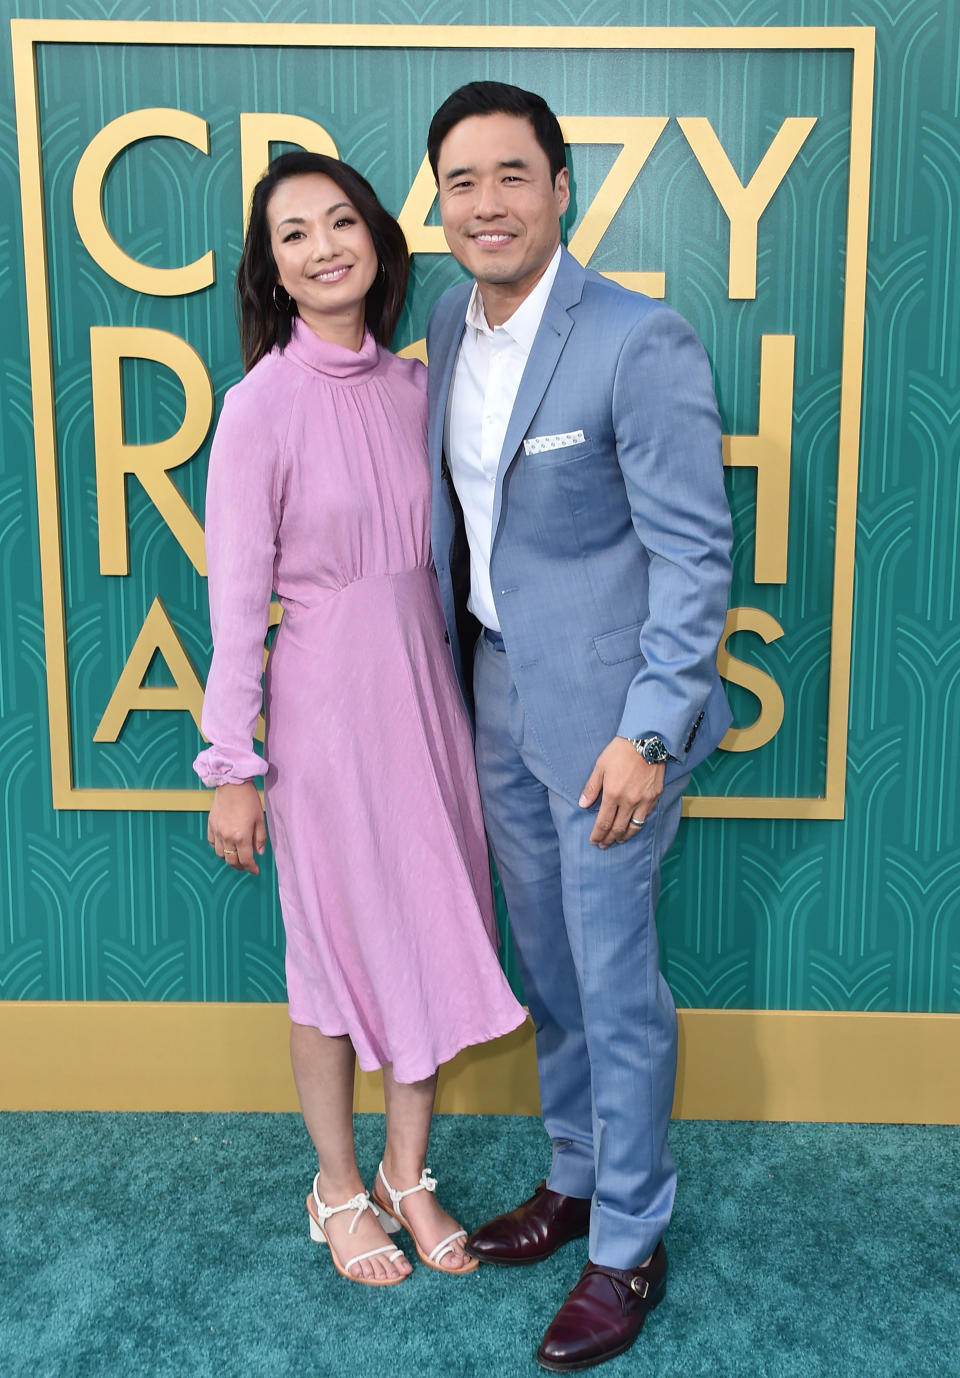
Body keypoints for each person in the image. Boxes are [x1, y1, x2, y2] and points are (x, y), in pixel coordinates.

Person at [425, 83, 733, 1367]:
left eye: (512, 175)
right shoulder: (447, 323)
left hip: (614, 720)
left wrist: (651, 730)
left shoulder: (636, 337)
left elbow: (695, 551)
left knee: (614, 984)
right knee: (546, 963)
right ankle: (574, 1176)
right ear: (437, 203)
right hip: (497, 686)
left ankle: (630, 1241)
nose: (487, 202)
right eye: (461, 181)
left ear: (562, 188)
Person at [194, 150, 526, 1288]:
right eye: (294, 234)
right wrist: (231, 762)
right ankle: (336, 1188)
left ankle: (407, 1172)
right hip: (325, 710)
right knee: (332, 958)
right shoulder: (257, 407)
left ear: (378, 240)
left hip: (426, 698)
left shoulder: (418, 390)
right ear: (273, 270)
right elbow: (236, 599)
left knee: (429, 929)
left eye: (342, 221)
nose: (324, 246)